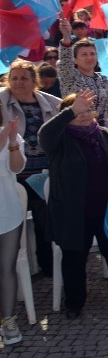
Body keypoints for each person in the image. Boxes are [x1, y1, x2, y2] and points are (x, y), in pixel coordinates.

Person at [38, 90, 108, 318]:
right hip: (74, 213)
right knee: (74, 260)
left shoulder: (105, 135)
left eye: (87, 110)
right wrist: (71, 111)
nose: (84, 115)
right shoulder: (59, 140)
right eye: (77, 111)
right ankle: (74, 303)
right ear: (66, 115)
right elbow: (44, 134)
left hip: (107, 211)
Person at [0, 60, 61, 277]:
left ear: (34, 81)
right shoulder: (2, 99)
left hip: (44, 171)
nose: (18, 82)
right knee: (15, 218)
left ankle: (47, 266)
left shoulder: (50, 102)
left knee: (45, 218)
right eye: (14, 78)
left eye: (24, 78)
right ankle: (13, 267)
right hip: (14, 173)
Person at [56, 19, 108, 132]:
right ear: (75, 60)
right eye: (84, 54)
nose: (89, 58)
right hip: (76, 129)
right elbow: (65, 60)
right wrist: (66, 37)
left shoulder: (104, 79)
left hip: (101, 131)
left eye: (92, 54)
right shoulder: (70, 76)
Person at [1, 111, 26, 346]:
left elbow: (17, 169)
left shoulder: (11, 135)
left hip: (7, 211)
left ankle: (8, 319)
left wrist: (11, 143)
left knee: (6, 268)